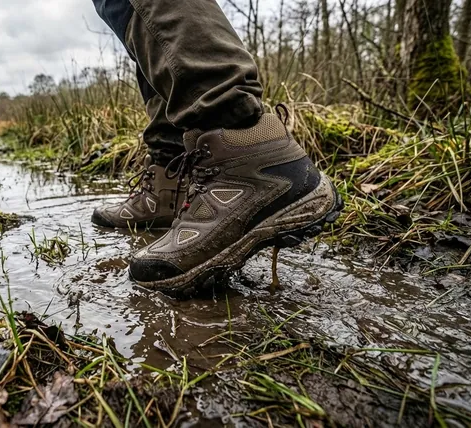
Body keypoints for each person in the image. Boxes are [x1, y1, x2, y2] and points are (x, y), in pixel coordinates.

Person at [90, 0, 343, 298]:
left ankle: (244, 142)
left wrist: (224, 111)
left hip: (234, 127)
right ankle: (169, 183)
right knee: (119, 10)